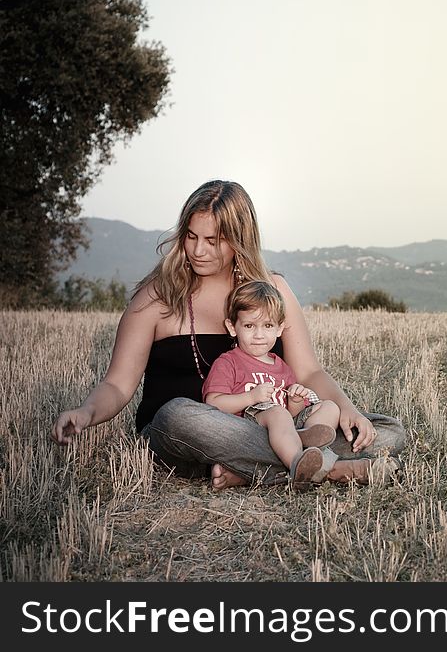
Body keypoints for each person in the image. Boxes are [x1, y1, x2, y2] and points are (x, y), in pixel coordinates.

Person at [51, 180, 406, 489]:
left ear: (238, 240)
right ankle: (315, 466)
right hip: (182, 435)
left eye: (213, 240)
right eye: (191, 237)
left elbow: (309, 372)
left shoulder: (272, 291)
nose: (198, 250)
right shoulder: (156, 298)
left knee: (386, 431)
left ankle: (257, 470)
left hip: (267, 426)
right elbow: (117, 385)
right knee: (177, 414)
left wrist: (348, 409)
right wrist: (86, 413)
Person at [202, 280, 342, 490]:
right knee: (277, 413)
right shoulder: (228, 362)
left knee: (330, 407)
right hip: (251, 431)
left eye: (268, 326)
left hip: (286, 429)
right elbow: (213, 404)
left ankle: (307, 439)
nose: (259, 335)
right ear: (233, 327)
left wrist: (295, 400)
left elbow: (292, 412)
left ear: (279, 328)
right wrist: (250, 398)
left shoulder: (282, 366)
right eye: (249, 326)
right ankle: (297, 464)